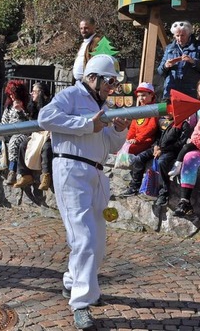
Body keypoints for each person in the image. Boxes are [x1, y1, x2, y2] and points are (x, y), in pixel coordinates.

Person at [37, 55, 130, 330]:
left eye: (113, 81)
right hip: (71, 170)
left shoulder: (104, 105)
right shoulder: (70, 95)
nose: (111, 86)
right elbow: (45, 118)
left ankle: (71, 282)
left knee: (97, 241)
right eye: (109, 81)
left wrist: (119, 130)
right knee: (84, 239)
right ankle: (80, 303)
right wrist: (88, 124)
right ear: (93, 77)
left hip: (97, 174)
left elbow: (111, 144)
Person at [119, 83, 160, 197]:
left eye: (144, 95)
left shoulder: (154, 109)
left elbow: (151, 128)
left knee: (135, 156)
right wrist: (129, 139)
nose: (141, 98)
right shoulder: (139, 110)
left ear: (151, 95)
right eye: (139, 95)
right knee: (123, 148)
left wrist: (137, 140)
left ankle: (134, 187)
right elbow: (133, 127)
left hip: (148, 142)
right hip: (138, 141)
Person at [0, 79, 30, 184]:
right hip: (8, 132)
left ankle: (12, 171)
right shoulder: (8, 107)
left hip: (23, 132)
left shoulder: (28, 106)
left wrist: (21, 111)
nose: (11, 97)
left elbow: (30, 120)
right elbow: (3, 122)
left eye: (13, 94)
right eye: (10, 94)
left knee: (13, 142)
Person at [13, 82, 53, 191]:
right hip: (36, 135)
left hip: (49, 134)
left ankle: (46, 176)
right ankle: (25, 175)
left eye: (34, 92)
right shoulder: (34, 106)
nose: (32, 94)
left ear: (41, 93)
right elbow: (28, 123)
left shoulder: (51, 105)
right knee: (23, 145)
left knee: (47, 148)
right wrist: (20, 111)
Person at [157, 20, 200, 100]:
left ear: (189, 34)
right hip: (171, 91)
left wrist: (193, 61)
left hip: (191, 91)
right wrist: (166, 66)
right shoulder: (169, 48)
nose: (180, 38)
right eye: (177, 35)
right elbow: (160, 71)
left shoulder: (199, 46)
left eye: (183, 35)